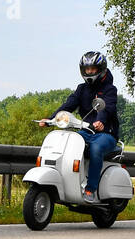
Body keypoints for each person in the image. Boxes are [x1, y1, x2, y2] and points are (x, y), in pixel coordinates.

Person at [39, 51, 120, 203]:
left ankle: (91, 188)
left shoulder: (110, 89)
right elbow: (68, 105)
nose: (89, 72)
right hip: (86, 130)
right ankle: (68, 184)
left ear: (100, 68)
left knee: (96, 148)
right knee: (66, 143)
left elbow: (106, 107)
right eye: (87, 69)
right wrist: (51, 119)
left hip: (106, 134)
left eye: (93, 69)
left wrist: (100, 121)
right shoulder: (82, 89)